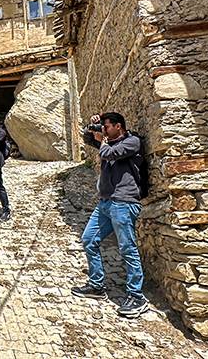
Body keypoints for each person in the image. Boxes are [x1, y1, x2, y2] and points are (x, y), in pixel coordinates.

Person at [71, 112, 148, 318]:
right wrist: (92, 126)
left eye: (106, 126)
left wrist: (103, 140)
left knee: (127, 247)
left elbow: (109, 154)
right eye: (103, 126)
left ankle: (137, 296)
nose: (104, 130)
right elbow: (88, 139)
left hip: (124, 203)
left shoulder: (132, 142)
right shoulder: (109, 143)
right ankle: (96, 285)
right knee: (89, 240)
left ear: (119, 126)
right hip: (105, 203)